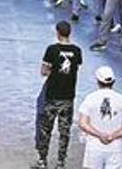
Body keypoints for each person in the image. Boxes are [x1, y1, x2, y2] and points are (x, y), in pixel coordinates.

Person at [33, 21, 82, 169]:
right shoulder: (77, 51)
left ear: (58, 33)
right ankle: (61, 162)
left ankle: (42, 160)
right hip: (68, 97)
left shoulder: (52, 50)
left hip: (52, 96)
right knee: (64, 131)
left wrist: (53, 72)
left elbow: (43, 71)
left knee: (45, 129)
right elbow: (76, 68)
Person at [77, 66, 122, 169]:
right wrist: (114, 135)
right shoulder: (121, 98)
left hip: (94, 144)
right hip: (115, 145)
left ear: (98, 81)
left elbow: (82, 123)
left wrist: (99, 135)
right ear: (113, 81)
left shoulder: (91, 98)